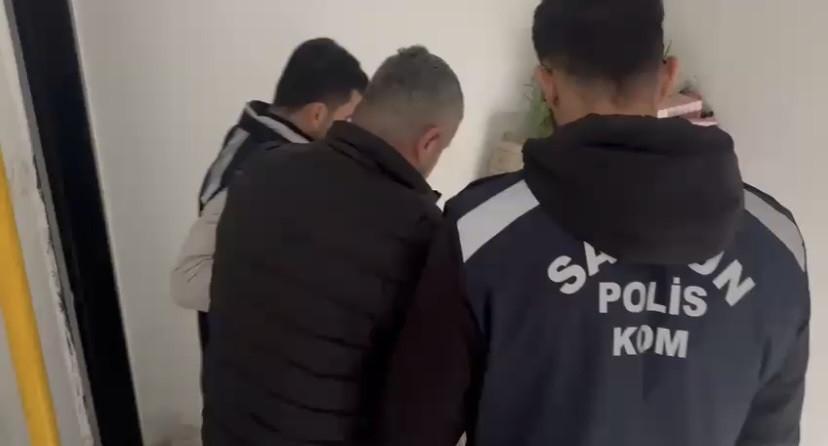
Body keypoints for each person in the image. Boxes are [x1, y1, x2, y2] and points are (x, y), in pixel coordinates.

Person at [381, 1, 810, 446]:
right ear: (668, 76)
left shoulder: (480, 232)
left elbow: (413, 430)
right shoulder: (777, 246)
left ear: (548, 85)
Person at [201, 46, 464, 445]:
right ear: (431, 141)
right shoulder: (423, 235)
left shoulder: (261, 168)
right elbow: (414, 404)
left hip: (226, 429)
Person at [170, 38, 368, 347]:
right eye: (348, 120)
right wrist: (295, 286)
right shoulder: (251, 170)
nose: (354, 132)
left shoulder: (267, 147)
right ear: (317, 114)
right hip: (246, 356)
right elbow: (188, 280)